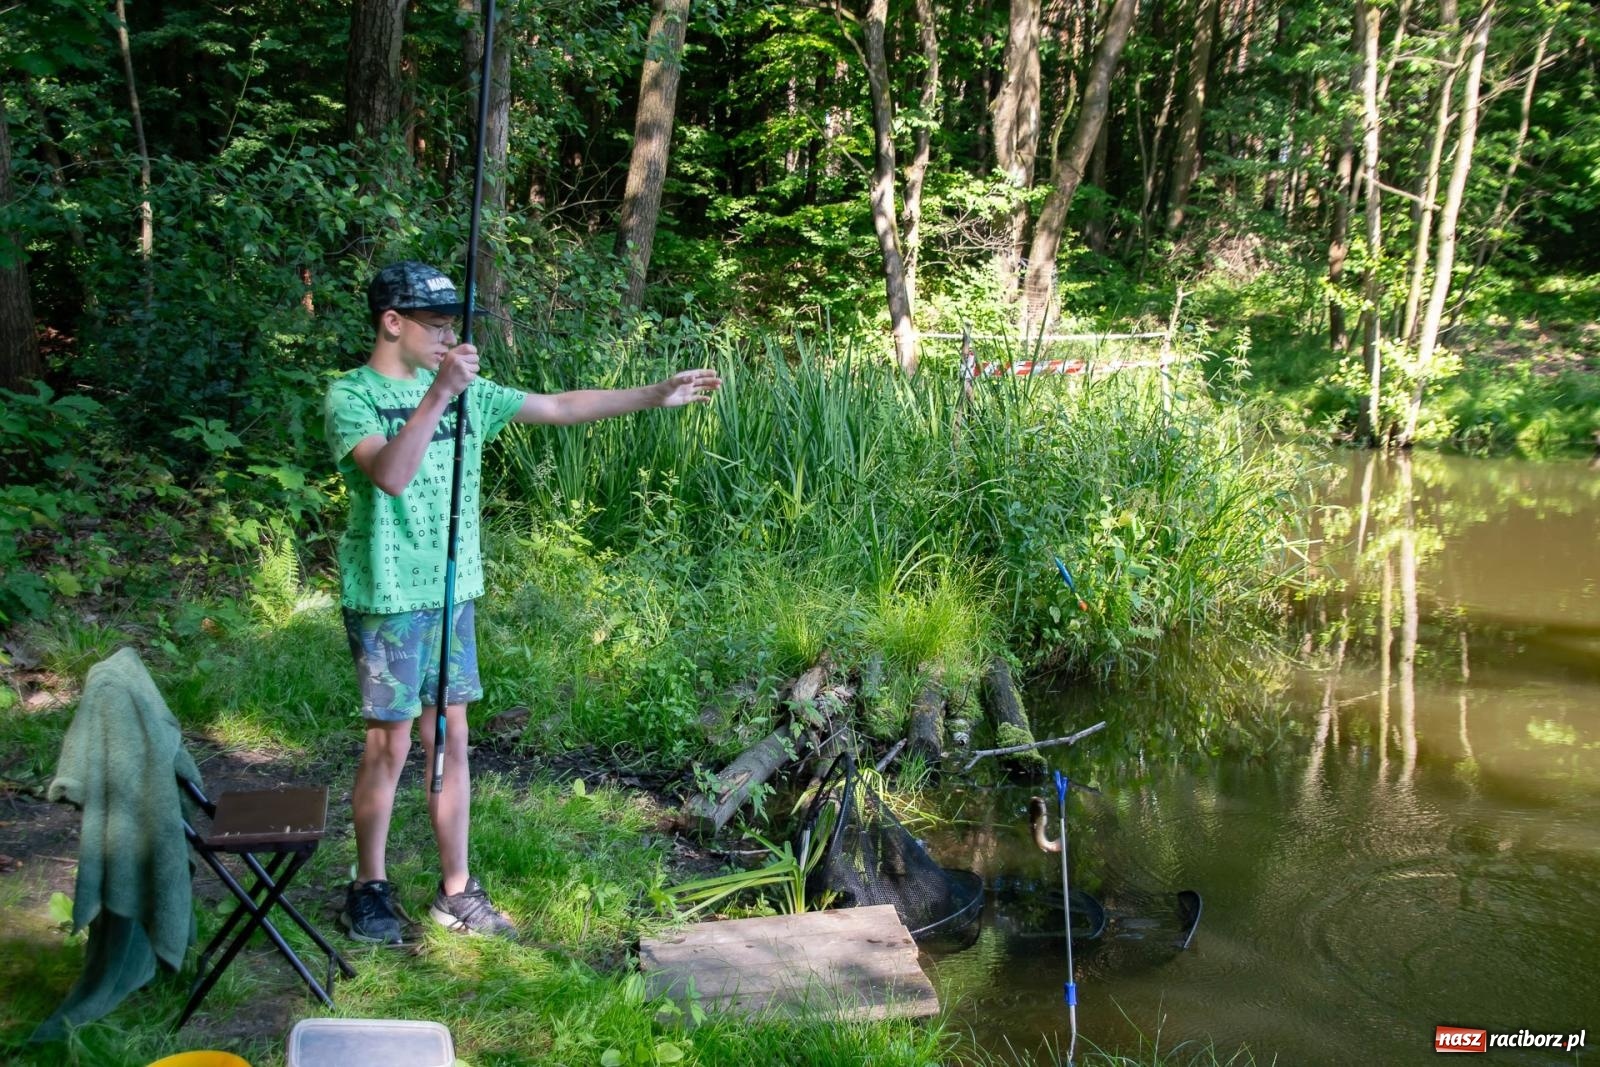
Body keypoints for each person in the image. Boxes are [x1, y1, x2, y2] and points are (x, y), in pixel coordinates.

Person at [324, 261, 720, 943]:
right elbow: (391, 474)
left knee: (450, 740)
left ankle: (456, 891)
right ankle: (370, 885)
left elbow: (560, 405)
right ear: (392, 322)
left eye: (454, 326)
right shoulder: (351, 395)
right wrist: (439, 396)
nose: (450, 338)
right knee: (388, 747)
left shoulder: (469, 393)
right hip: (387, 597)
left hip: (452, 593)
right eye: (437, 326)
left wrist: (654, 394)